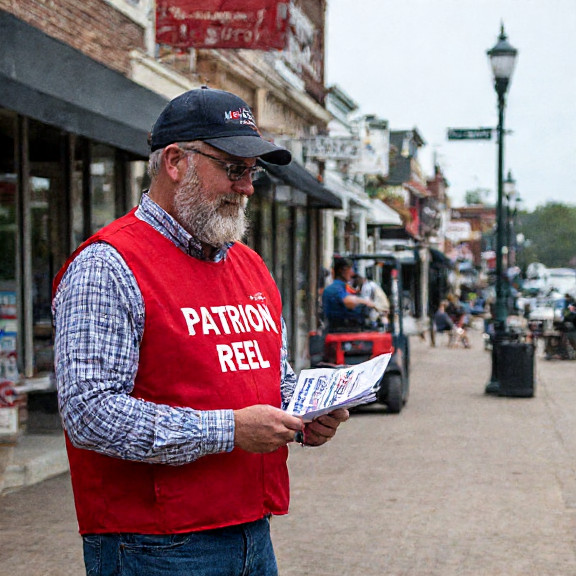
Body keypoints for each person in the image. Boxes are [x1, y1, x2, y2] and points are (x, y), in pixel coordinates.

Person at [52, 87, 349, 576]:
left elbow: (271, 379)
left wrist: (307, 412)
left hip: (253, 528)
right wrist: (229, 430)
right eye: (234, 169)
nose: (247, 187)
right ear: (175, 162)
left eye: (252, 172)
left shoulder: (250, 265)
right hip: (153, 544)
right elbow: (90, 412)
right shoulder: (108, 265)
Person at [322, 258, 376, 332]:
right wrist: (365, 301)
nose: (352, 273)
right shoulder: (335, 287)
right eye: (350, 270)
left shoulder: (341, 287)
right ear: (343, 270)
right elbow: (348, 301)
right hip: (340, 331)